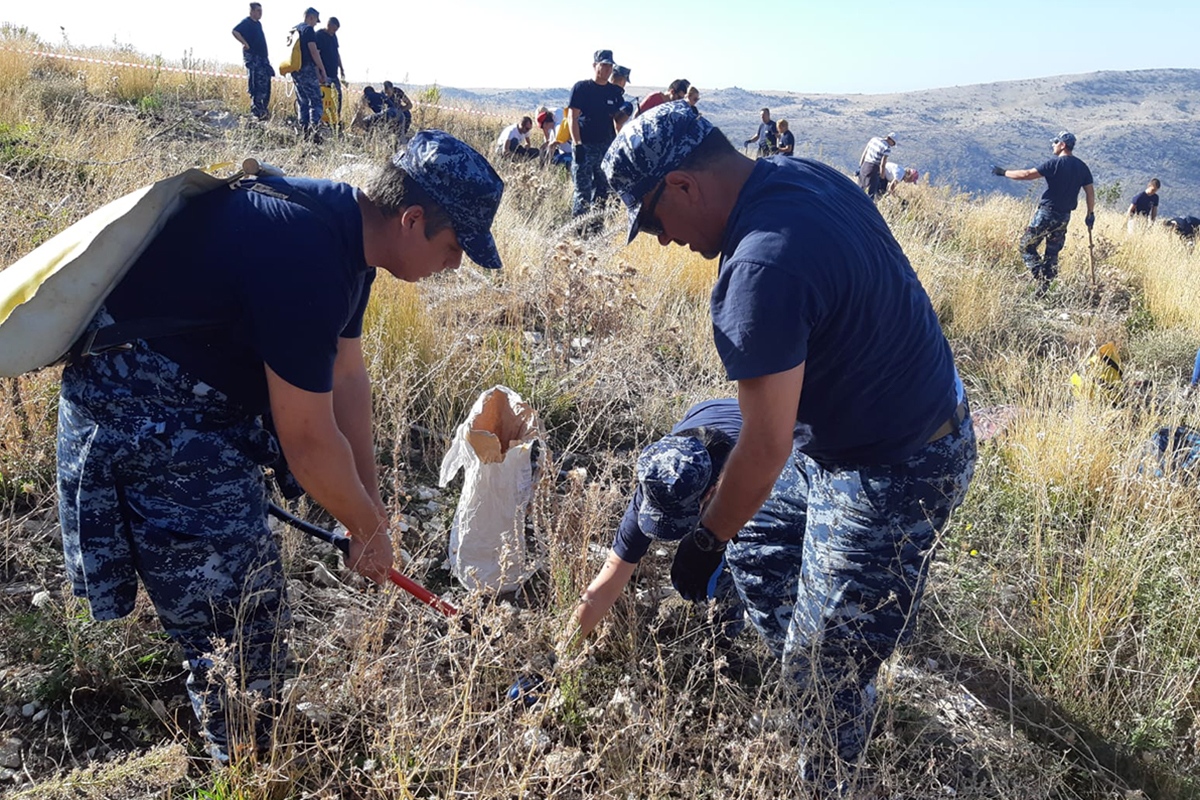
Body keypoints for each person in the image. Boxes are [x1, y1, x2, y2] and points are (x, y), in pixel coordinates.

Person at [56, 130, 505, 764]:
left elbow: (346, 381)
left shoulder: (349, 238)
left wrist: (371, 515)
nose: (454, 266)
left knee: (247, 611)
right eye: (455, 247)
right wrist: (364, 526)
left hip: (196, 411)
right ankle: (245, 765)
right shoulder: (306, 252)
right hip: (145, 418)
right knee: (240, 626)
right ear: (411, 220)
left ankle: (246, 741)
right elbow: (306, 439)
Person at [602, 103, 976, 790]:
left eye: (652, 219)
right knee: (760, 537)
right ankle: (826, 658)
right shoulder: (798, 176)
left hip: (896, 466)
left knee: (819, 667)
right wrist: (728, 532)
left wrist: (706, 539)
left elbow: (766, 443)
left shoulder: (758, 269)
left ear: (683, 185)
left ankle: (829, 725)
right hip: (855, 440)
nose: (658, 239)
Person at [569, 399, 800, 649]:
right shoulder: (659, 481)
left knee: (753, 561)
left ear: (712, 491)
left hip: (785, 442)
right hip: (715, 413)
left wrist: (710, 545)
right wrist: (562, 655)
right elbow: (610, 577)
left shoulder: (748, 480)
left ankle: (724, 641)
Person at [992, 131, 1095, 293]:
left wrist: (1003, 172)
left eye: (1055, 142)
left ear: (1062, 145)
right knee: (1052, 253)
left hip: (1047, 213)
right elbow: (1090, 192)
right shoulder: (1082, 167)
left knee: (1026, 247)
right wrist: (1090, 213)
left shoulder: (1054, 164)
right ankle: (1045, 288)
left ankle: (1041, 278)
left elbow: (1027, 175)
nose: (1053, 145)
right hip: (1064, 216)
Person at [567, 49, 625, 224]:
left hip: (605, 147)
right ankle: (577, 230)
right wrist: (577, 144)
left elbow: (617, 119)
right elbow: (572, 117)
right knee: (582, 192)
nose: (607, 70)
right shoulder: (582, 88)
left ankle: (596, 228)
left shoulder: (613, 92)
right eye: (604, 65)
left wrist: (628, 111)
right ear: (595, 65)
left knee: (604, 190)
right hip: (585, 146)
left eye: (610, 66)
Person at [291, 7, 327, 139]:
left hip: (296, 70)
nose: (316, 24)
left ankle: (304, 131)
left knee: (303, 101)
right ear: (311, 17)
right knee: (316, 100)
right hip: (306, 69)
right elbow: (313, 51)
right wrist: (322, 69)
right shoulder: (308, 30)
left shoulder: (295, 29)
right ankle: (314, 131)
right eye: (316, 21)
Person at [232, 3, 273, 120]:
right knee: (256, 84)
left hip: (263, 59)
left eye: (261, 11)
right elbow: (235, 31)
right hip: (254, 58)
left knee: (265, 84)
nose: (261, 13)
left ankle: (263, 111)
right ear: (252, 11)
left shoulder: (258, 24)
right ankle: (257, 111)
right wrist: (244, 43)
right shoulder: (247, 22)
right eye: (258, 11)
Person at [315, 17, 345, 120]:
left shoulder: (334, 37)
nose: (334, 32)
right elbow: (316, 54)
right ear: (329, 25)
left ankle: (336, 118)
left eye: (336, 30)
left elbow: (337, 54)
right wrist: (318, 72)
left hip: (333, 74)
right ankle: (322, 119)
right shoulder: (319, 35)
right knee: (324, 98)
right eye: (333, 29)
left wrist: (341, 68)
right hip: (324, 74)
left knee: (338, 96)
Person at [857, 132, 894, 200]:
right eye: (893, 144)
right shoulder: (887, 148)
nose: (892, 145)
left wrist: (860, 166)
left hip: (865, 165)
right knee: (871, 193)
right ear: (891, 140)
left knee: (859, 189)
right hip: (874, 168)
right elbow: (882, 164)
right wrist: (882, 177)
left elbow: (864, 152)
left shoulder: (874, 139)